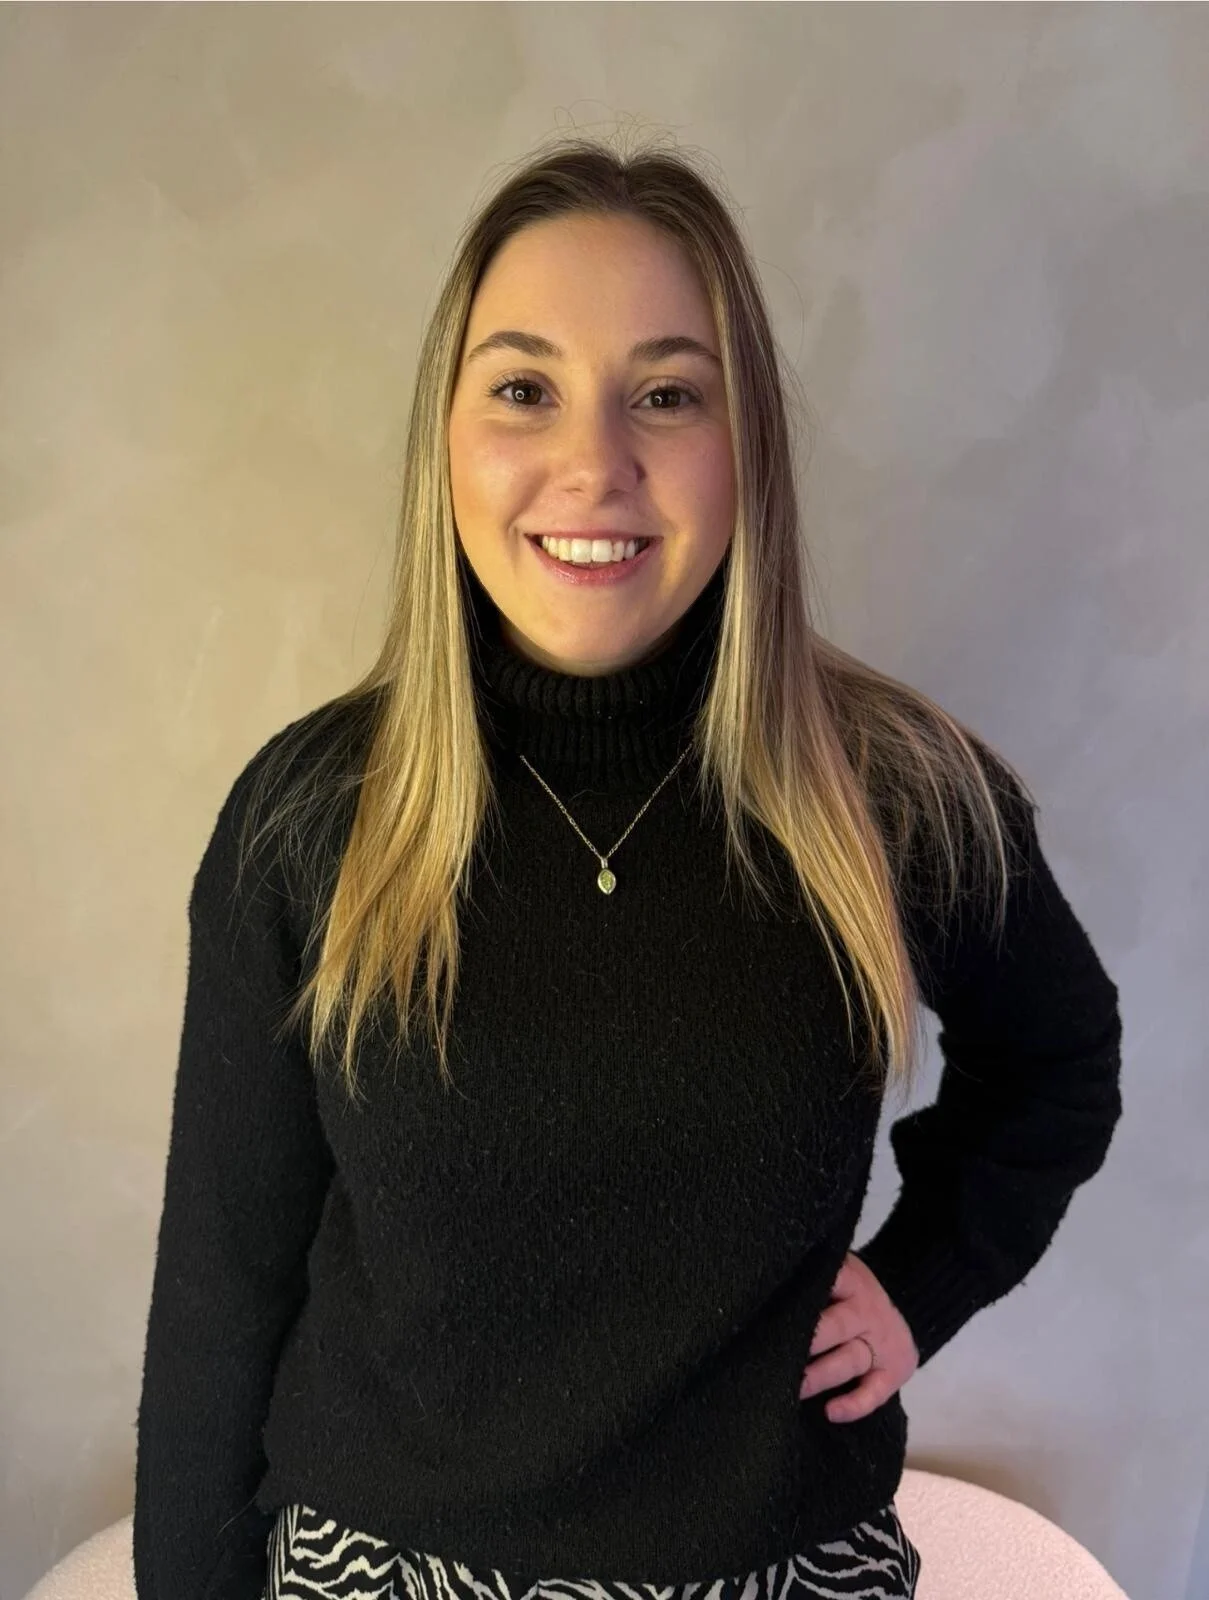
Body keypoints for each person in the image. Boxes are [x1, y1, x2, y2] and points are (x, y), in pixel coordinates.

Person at [132, 133, 1123, 1600]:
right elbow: (224, 1290)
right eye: (524, 388)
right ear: (446, 436)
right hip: (384, 1562)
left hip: (781, 1561)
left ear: (748, 445)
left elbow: (1057, 1064)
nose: (594, 464)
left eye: (668, 394)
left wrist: (924, 1285)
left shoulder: (900, 796)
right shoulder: (309, 819)